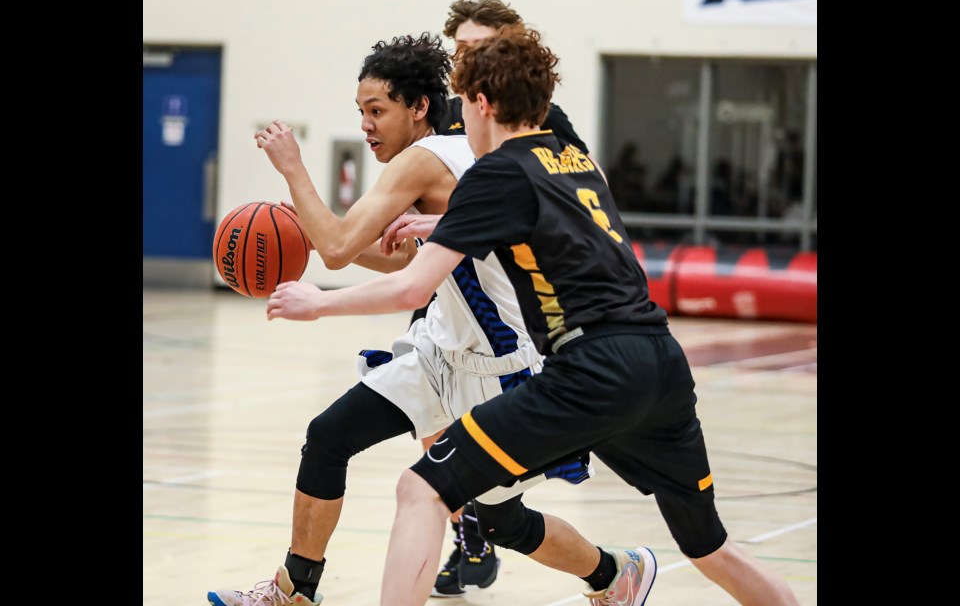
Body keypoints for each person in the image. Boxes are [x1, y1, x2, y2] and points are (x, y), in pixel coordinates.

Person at [265, 29, 801, 606]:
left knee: (421, 491)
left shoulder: (495, 172)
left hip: (588, 367)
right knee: (708, 547)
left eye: (463, 103)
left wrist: (318, 301)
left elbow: (409, 286)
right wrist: (445, 230)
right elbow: (547, 230)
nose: (458, 116)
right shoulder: (571, 155)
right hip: (661, 360)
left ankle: (606, 573)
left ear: (483, 104)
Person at [206, 33, 551, 606]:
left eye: (377, 110)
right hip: (443, 352)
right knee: (329, 436)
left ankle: (612, 573)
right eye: (360, 112)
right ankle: (295, 591)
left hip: (497, 365)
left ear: (419, 107)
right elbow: (395, 254)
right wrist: (311, 231)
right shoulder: (447, 155)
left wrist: (294, 170)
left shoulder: (427, 159)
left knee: (500, 521)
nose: (366, 125)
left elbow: (342, 248)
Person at [409, 0, 597, 597]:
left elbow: (565, 207)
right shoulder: (444, 115)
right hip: (448, 278)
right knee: (433, 420)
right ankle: (470, 530)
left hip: (513, 295)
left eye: (476, 47)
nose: (463, 58)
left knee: (489, 452)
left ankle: (492, 523)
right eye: (457, 48)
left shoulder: (544, 119)